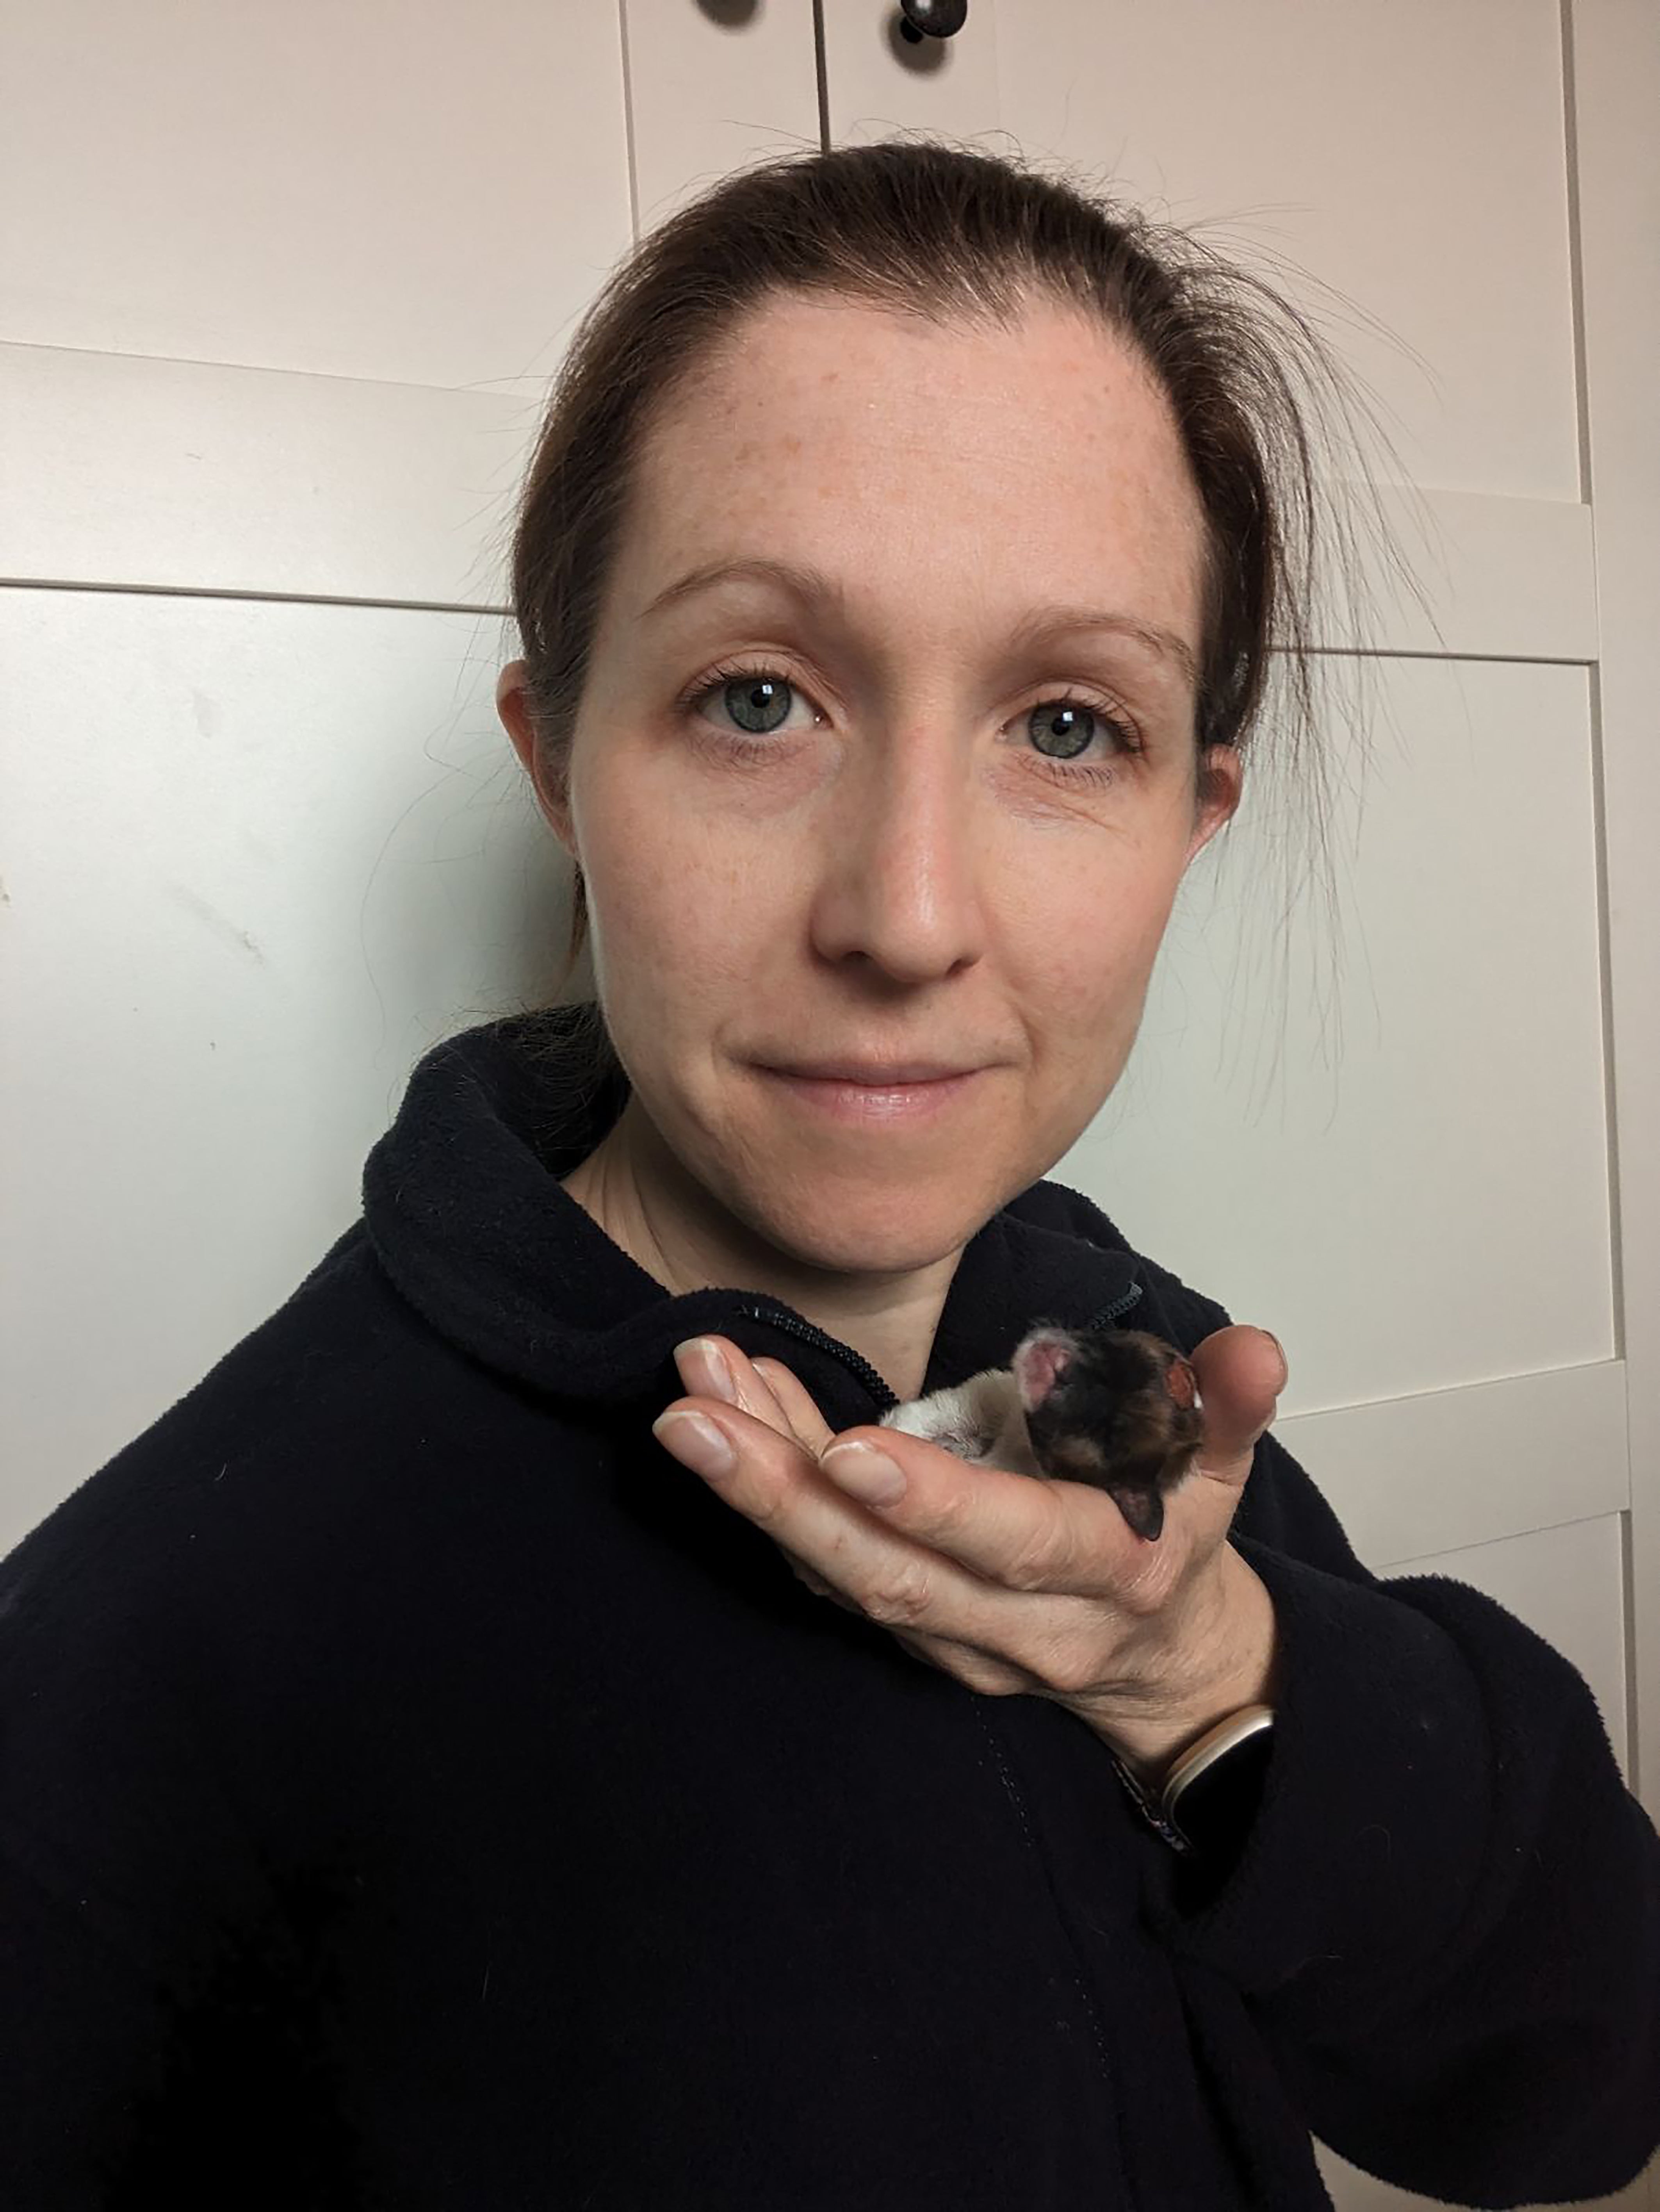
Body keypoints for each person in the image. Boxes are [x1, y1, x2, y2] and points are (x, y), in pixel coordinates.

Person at [3, 141, 1656, 2211]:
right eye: (757, 698)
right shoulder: (139, 1674)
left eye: (1069, 724)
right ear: (559, 759)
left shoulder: (1114, 1368)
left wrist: (1216, 1676)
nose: (907, 911)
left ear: (1192, 814)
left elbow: (1581, 2082)